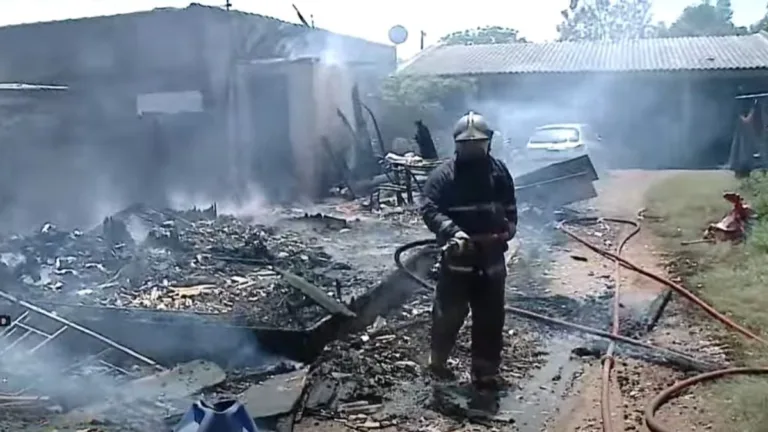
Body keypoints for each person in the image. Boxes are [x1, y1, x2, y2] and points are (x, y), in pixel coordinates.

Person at [419, 111, 517, 390]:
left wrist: (508, 230)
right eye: (467, 145)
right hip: (458, 261)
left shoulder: (499, 173)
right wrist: (453, 232)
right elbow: (429, 208)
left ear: (488, 142)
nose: (473, 149)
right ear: (457, 145)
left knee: (490, 319)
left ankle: (485, 373)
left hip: (492, 263)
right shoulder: (443, 176)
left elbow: (510, 208)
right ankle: (437, 363)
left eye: (478, 144)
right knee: (448, 315)